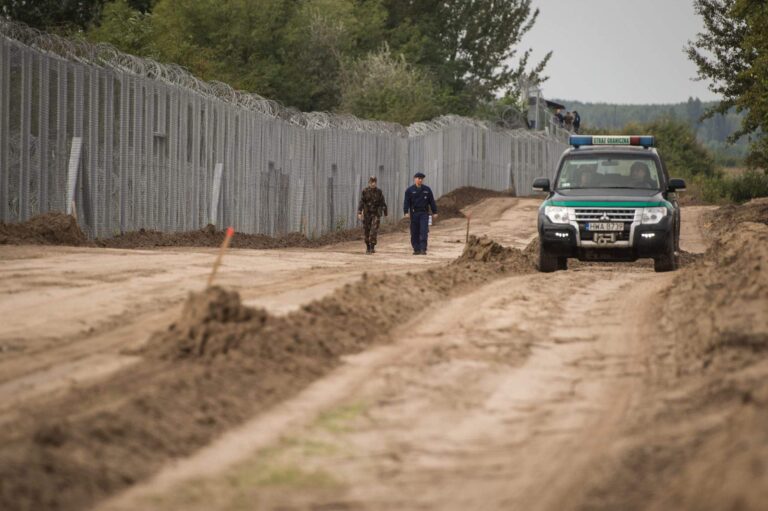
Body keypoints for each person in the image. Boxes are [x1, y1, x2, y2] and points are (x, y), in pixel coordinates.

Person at [403, 172, 437, 255]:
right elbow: (406, 202)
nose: (420, 180)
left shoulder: (427, 190)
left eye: (422, 179)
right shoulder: (410, 190)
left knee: (424, 231)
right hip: (414, 214)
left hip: (424, 213)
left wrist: (435, 211)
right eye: (419, 178)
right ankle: (416, 249)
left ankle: (423, 249)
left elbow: (432, 201)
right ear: (415, 179)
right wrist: (406, 212)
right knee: (414, 232)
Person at [357, 176, 388, 254]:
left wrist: (385, 213)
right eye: (371, 182)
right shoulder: (365, 191)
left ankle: (372, 247)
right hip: (367, 213)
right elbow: (362, 202)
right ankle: (368, 246)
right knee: (366, 230)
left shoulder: (379, 192)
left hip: (376, 214)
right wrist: (359, 212)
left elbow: (382, 202)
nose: (373, 184)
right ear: (369, 182)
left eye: (374, 182)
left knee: (374, 230)